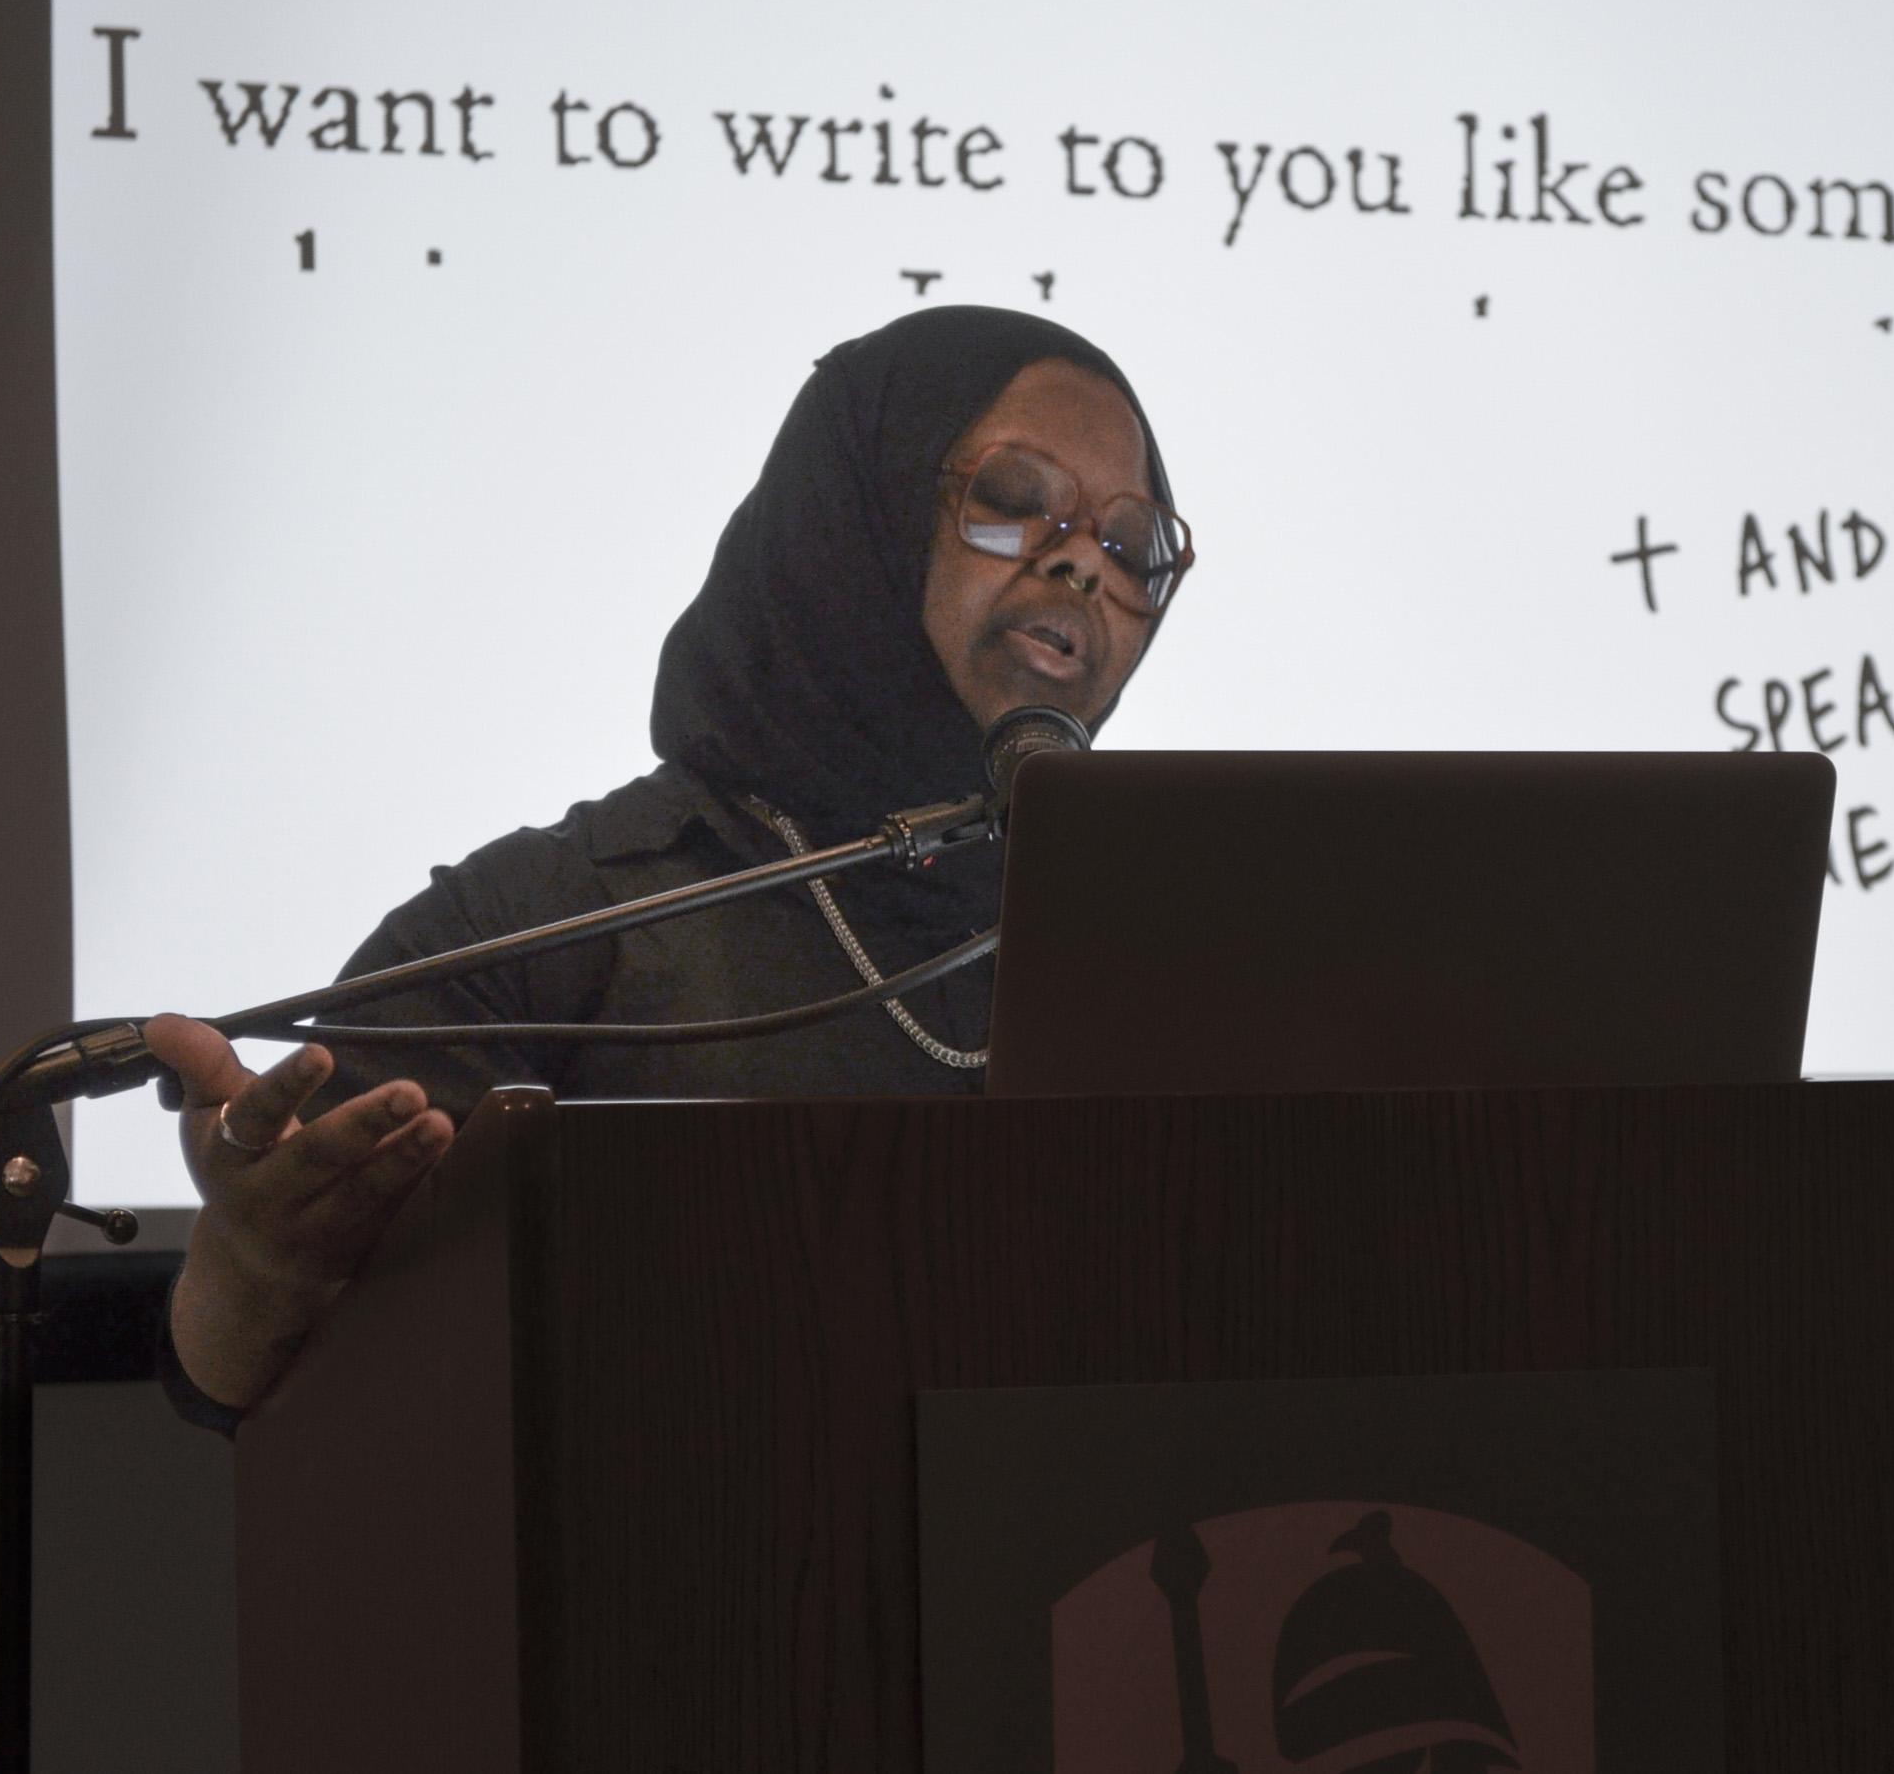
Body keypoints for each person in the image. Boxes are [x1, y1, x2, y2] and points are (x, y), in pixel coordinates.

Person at [142, 306, 1189, 1424]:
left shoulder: (1159, 966)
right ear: (857, 514)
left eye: (1132, 547)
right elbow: (249, 1390)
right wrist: (252, 1273)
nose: (1081, 561)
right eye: (1017, 500)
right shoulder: (560, 923)